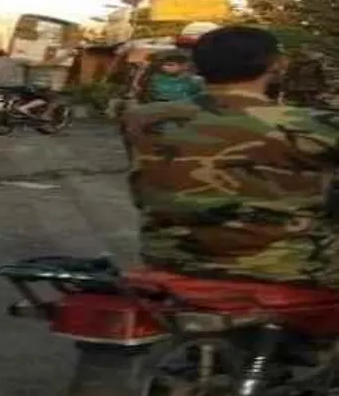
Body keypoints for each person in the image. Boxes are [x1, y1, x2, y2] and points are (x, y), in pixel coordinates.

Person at [120, 25, 339, 288]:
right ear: (278, 64)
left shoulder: (140, 118)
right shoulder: (316, 125)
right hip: (296, 268)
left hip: (170, 259)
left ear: (194, 65)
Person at [0, 48, 48, 118]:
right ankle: (25, 107)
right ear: (4, 53)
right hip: (13, 87)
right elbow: (38, 64)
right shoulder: (16, 60)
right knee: (42, 97)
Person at [139, 51, 204, 103]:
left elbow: (196, 91)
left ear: (184, 66)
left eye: (170, 65)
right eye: (163, 65)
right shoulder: (156, 79)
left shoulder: (190, 79)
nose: (164, 67)